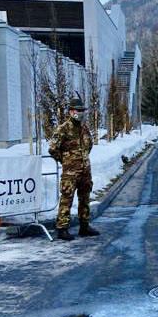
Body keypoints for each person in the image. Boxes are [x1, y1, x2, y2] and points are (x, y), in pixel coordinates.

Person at [49, 97, 100, 241]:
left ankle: (84, 226)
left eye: (82, 111)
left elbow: (89, 146)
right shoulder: (63, 129)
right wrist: (66, 160)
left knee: (85, 198)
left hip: (85, 170)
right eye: (78, 110)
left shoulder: (84, 129)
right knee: (67, 199)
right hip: (70, 172)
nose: (81, 113)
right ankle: (62, 228)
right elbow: (53, 149)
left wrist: (82, 159)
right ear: (71, 112)